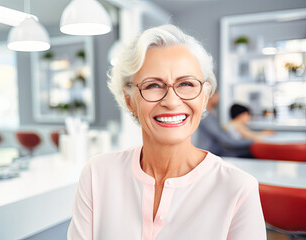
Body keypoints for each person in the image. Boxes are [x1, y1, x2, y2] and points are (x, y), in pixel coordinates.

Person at [67, 25, 266, 240]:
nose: (171, 101)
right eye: (153, 85)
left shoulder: (238, 189)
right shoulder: (97, 174)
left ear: (205, 97)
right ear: (129, 100)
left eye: (186, 84)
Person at [196, 92, 255, 158]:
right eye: (217, 96)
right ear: (211, 96)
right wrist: (253, 142)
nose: (218, 99)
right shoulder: (206, 117)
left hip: (216, 152)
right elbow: (225, 140)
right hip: (211, 153)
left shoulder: (210, 115)